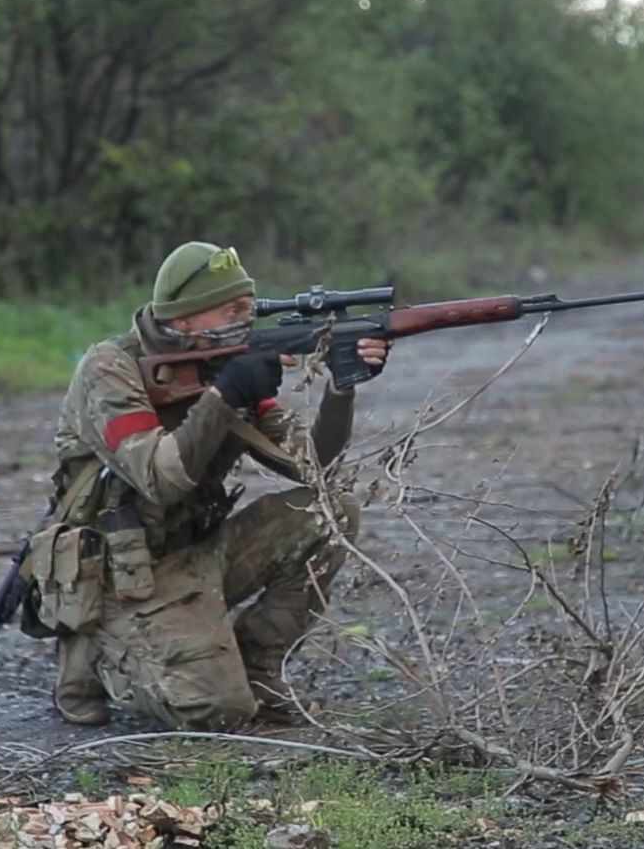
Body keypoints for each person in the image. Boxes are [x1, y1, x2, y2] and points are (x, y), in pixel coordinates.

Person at [37, 242, 387, 728]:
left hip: (198, 552)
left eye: (249, 308)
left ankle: (256, 666)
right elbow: (158, 478)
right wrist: (226, 395)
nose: (246, 320)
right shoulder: (110, 370)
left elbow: (311, 466)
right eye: (232, 310)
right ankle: (95, 651)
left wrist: (342, 386)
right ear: (182, 320)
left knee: (331, 512)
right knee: (218, 711)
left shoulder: (224, 362)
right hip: (124, 577)